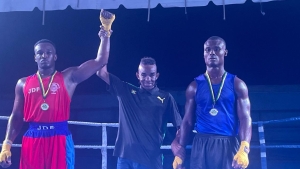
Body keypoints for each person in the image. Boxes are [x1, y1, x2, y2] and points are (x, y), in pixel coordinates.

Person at [0, 9, 115, 169]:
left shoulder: (69, 77)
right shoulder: (22, 83)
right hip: (33, 137)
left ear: (55, 56)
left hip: (59, 137)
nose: (44, 55)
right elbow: (17, 115)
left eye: (48, 52)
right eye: (39, 53)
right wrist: (6, 145)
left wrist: (106, 33)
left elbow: (100, 60)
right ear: (35, 57)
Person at [171, 36, 252, 169]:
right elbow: (187, 122)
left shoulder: (237, 84)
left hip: (228, 143)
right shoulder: (194, 86)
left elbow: (245, 118)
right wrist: (180, 152)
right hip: (201, 143)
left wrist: (244, 148)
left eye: (216, 49)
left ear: (225, 52)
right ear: (203, 53)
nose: (212, 53)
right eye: (207, 50)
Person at [96, 55, 182, 169]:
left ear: (157, 76)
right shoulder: (125, 91)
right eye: (143, 74)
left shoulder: (166, 98)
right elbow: (101, 73)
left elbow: (180, 126)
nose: (148, 79)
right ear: (137, 75)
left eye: (151, 75)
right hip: (124, 157)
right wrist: (105, 38)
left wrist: (176, 143)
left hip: (150, 160)